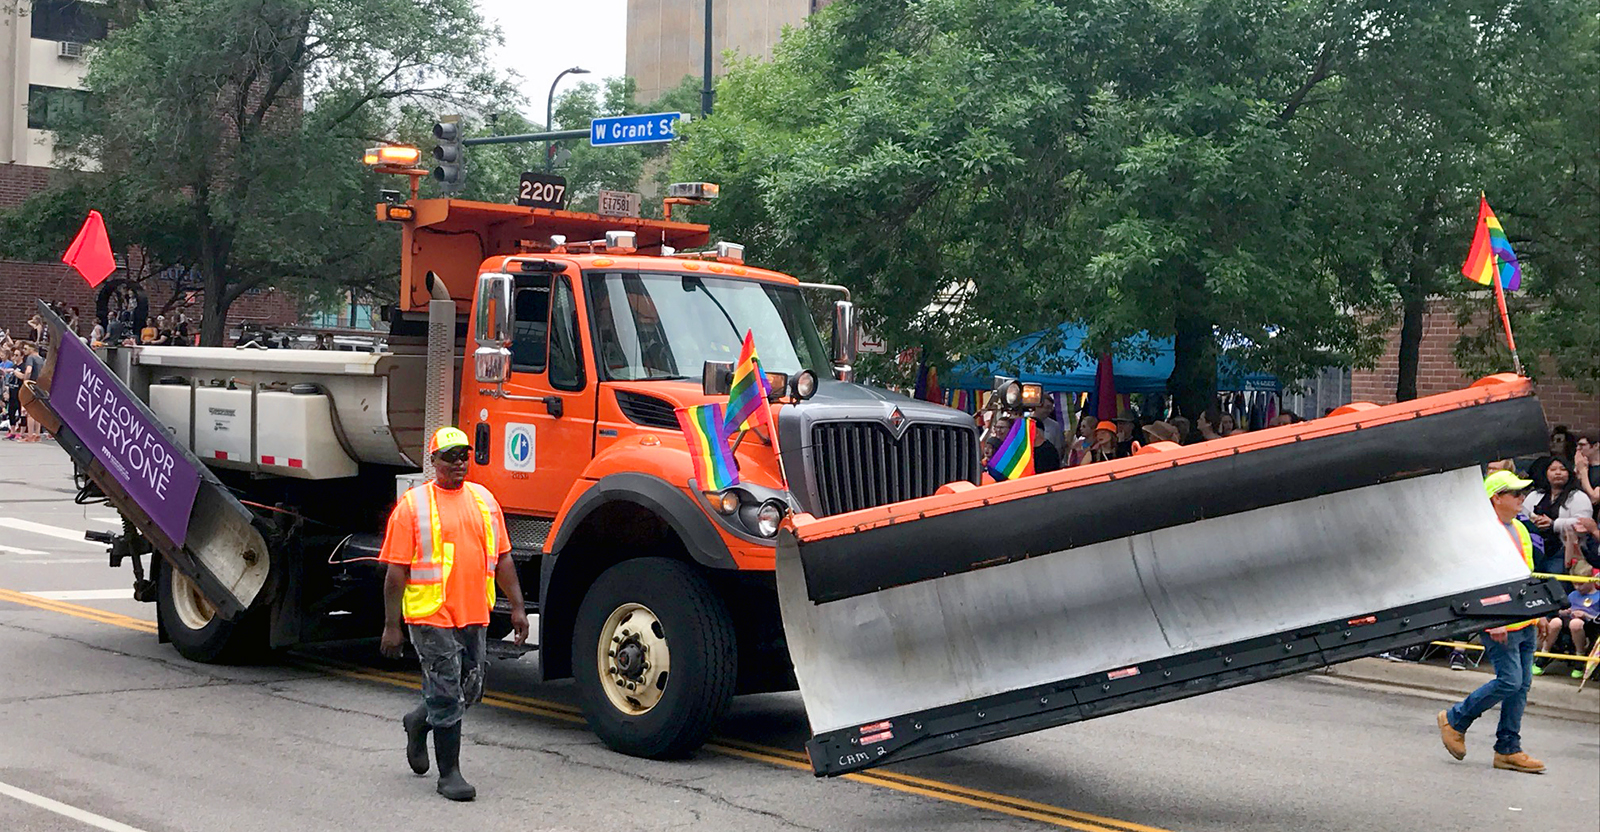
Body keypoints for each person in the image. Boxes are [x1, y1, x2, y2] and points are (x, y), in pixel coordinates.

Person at [379, 427, 527, 801]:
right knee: (447, 694)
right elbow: (396, 572)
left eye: (464, 454)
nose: (459, 462)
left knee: (470, 689)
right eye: (450, 456)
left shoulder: (484, 500)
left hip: (474, 612)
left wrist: (519, 608)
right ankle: (450, 775)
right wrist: (391, 627)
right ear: (434, 462)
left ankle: (418, 720)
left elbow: (504, 557)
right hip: (431, 615)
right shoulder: (413, 507)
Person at [1437, 470, 1545, 774]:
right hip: (1501, 623)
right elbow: (1478, 581)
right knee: (1510, 680)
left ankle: (1508, 748)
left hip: (1522, 621)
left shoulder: (1519, 529)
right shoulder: (1482, 532)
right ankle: (1455, 719)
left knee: (1520, 685)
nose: (1521, 498)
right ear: (1495, 498)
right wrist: (1492, 620)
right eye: (1515, 493)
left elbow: (1526, 576)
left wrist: (1538, 614)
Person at [1522, 457, 1595, 575]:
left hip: (1563, 551)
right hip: (1535, 549)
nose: (1558, 473)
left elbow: (1584, 523)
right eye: (1553, 469)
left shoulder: (1578, 496)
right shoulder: (1534, 495)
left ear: (1569, 473)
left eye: (1562, 469)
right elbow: (1521, 516)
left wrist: (1553, 524)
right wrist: (1533, 522)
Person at [1535, 570, 1599, 679]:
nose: (1577, 587)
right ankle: (1543, 654)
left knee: (1576, 623)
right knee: (1555, 621)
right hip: (1567, 622)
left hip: (1588, 626)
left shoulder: (1598, 596)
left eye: (1581, 584)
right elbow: (1561, 610)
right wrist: (1563, 612)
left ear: (1591, 580)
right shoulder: (1573, 595)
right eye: (1574, 584)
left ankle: (1580, 657)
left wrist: (1586, 615)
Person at [18, 343, 46, 442]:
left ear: (32, 349)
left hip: (31, 385)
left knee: (29, 411)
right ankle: (37, 434)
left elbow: (29, 371)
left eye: (26, 348)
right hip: (40, 386)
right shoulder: (42, 360)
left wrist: (25, 380)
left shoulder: (31, 358)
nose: (24, 350)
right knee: (38, 411)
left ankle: (30, 435)